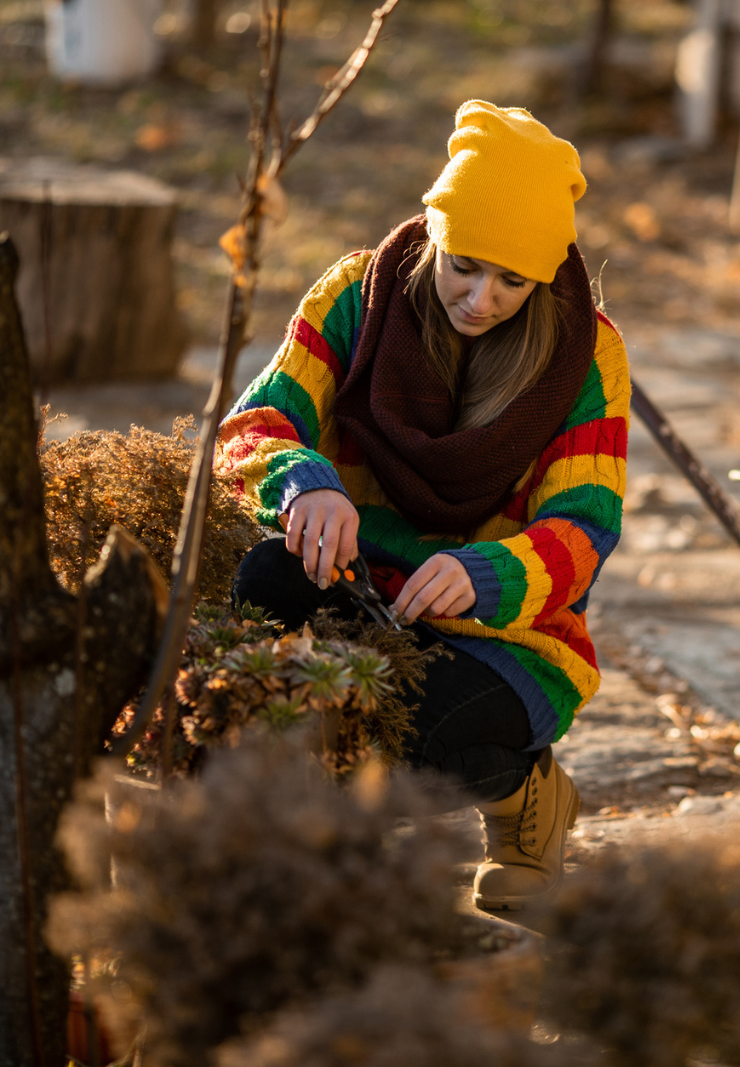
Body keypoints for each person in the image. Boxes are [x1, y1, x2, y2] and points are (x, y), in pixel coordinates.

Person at [216, 101, 629, 911]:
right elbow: (252, 427)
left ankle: (528, 800)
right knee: (265, 578)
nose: (480, 298)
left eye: (513, 280)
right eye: (465, 265)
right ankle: (279, 850)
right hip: (362, 583)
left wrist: (486, 572)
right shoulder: (356, 295)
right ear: (435, 232)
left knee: (415, 746)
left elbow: (585, 527)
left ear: (544, 275)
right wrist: (304, 480)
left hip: (509, 633)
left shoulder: (587, 352)